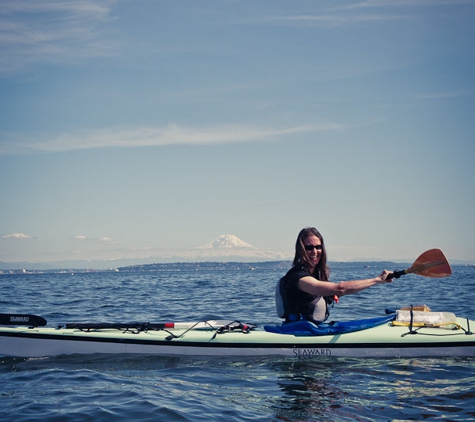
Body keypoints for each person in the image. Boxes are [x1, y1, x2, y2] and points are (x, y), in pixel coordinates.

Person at [276, 227, 392, 324]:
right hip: (298, 332)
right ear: (301, 250)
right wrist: (378, 279)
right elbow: (340, 289)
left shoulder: (315, 274)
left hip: (310, 330)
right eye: (309, 247)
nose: (315, 251)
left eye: (318, 247)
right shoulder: (299, 278)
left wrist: (330, 295)